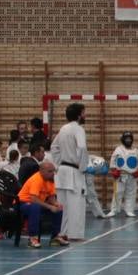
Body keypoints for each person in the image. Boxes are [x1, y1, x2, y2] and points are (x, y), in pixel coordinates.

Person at [50, 102, 89, 241]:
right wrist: (83, 166)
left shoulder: (63, 128)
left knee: (64, 205)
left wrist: (58, 163)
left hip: (62, 171)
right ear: (79, 115)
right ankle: (75, 235)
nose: (85, 115)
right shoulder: (78, 129)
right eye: (84, 113)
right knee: (76, 204)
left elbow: (54, 147)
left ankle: (63, 233)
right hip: (74, 171)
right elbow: (82, 148)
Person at [15, 160, 68, 248]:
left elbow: (51, 198)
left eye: (53, 171)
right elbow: (34, 199)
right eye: (50, 171)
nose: (53, 173)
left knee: (58, 208)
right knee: (35, 207)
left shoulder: (50, 180)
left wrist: (55, 204)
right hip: (23, 204)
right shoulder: (36, 179)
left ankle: (55, 237)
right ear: (41, 171)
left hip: (38, 204)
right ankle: (32, 238)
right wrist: (50, 207)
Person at [109, 131, 138, 218]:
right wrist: (114, 171)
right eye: (126, 139)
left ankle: (129, 210)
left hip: (132, 176)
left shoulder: (136, 150)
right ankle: (114, 210)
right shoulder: (118, 149)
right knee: (117, 193)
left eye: (130, 139)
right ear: (123, 140)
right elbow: (112, 161)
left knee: (131, 193)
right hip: (120, 175)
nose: (128, 140)